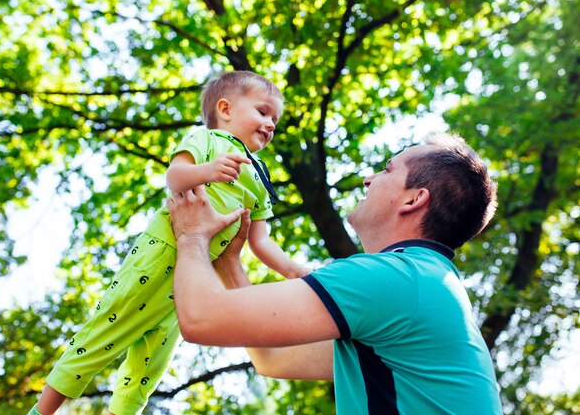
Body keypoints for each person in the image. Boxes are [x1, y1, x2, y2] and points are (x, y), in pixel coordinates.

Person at [27, 71, 308, 415]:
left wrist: (293, 270)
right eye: (264, 112)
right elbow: (174, 178)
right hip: (161, 253)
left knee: (150, 366)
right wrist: (208, 171)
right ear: (226, 109)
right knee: (104, 334)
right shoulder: (207, 140)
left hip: (193, 280)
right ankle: (42, 411)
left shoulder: (260, 177)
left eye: (275, 120)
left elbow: (260, 241)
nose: (270, 124)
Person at [167, 132, 504, 414]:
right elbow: (273, 358)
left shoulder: (395, 278)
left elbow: (200, 319)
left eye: (387, 170)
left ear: (413, 199)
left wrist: (192, 235)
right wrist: (229, 262)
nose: (368, 178)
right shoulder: (422, 285)